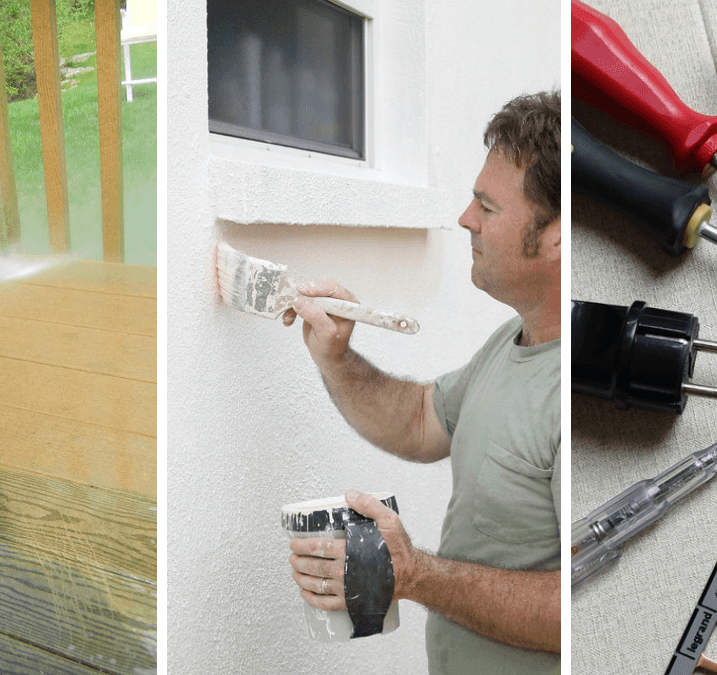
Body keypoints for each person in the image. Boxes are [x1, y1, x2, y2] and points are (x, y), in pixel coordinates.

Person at [283, 90, 561, 673]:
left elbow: (574, 613)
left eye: (487, 207)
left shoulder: (569, 395)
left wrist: (413, 575)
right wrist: (337, 355)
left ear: (557, 236)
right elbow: (417, 420)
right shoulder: (514, 342)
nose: (465, 219)